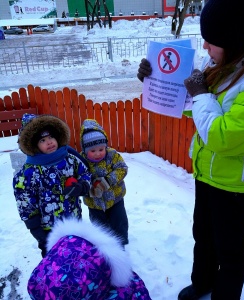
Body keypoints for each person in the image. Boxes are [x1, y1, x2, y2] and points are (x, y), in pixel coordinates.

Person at [137, 1, 244, 299]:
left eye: (213, 41)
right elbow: (198, 110)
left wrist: (200, 93)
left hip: (238, 183)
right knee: (204, 237)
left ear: (237, 41)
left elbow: (222, 136)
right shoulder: (227, 60)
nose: (206, 46)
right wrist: (156, 81)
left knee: (231, 250)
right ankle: (203, 282)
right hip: (206, 172)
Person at [13, 113, 91, 258]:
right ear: (34, 145)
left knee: (77, 253)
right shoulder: (28, 173)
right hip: (48, 230)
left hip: (73, 221)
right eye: (43, 140)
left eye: (51, 137)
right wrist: (35, 228)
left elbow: (85, 173)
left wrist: (81, 186)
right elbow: (25, 202)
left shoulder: (69, 159)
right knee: (54, 260)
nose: (49, 142)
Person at [27, 218, 152, 300]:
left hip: (72, 237)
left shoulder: (39, 287)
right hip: (73, 229)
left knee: (118, 224)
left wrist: (84, 185)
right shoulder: (132, 287)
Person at [80, 119, 129, 246]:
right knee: (99, 226)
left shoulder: (112, 155)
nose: (97, 154)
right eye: (93, 151)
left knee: (119, 222)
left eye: (101, 149)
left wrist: (107, 181)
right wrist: (89, 187)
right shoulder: (81, 161)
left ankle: (120, 244)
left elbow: (122, 169)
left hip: (115, 198)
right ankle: (103, 245)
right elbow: (80, 178)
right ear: (85, 150)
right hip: (94, 202)